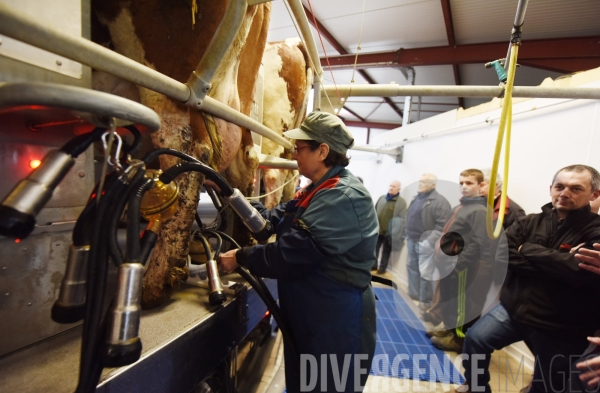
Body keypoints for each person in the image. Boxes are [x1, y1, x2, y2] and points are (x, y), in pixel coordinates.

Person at [217, 111, 378, 393]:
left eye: (300, 148)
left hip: (335, 319)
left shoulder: (342, 196)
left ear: (323, 151)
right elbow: (267, 222)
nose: (294, 153)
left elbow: (291, 256)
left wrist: (241, 256)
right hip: (312, 314)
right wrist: (227, 190)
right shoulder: (315, 191)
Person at [460, 164, 600, 393]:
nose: (565, 193)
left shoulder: (596, 232)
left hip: (560, 325)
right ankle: (477, 389)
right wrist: (558, 262)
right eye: (560, 186)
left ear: (594, 194)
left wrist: (529, 249)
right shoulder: (529, 222)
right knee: (475, 340)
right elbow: (501, 257)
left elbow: (578, 272)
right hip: (514, 310)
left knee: (547, 385)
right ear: (551, 189)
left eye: (576, 189)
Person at [426, 169, 492, 352]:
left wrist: (458, 264)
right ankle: (448, 330)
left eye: (469, 183)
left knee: (462, 306)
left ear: (481, 185)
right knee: (449, 300)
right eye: (461, 182)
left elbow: (478, 244)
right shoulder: (461, 207)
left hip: (462, 268)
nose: (464, 186)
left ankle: (459, 340)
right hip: (448, 265)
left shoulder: (479, 210)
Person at [405, 173, 450, 311]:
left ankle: (425, 302)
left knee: (425, 272)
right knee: (412, 267)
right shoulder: (416, 198)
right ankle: (414, 295)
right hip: (412, 239)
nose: (420, 183)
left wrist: (429, 241)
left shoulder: (440, 201)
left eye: (424, 182)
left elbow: (443, 225)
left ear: (433, 184)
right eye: (420, 181)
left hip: (425, 243)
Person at [373, 180, 407, 274]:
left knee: (386, 251)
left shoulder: (401, 202)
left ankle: (382, 268)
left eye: (394, 186)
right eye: (390, 185)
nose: (391, 187)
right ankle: (373, 265)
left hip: (390, 232)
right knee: (375, 248)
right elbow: (374, 211)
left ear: (398, 189)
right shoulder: (382, 198)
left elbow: (402, 219)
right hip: (378, 229)